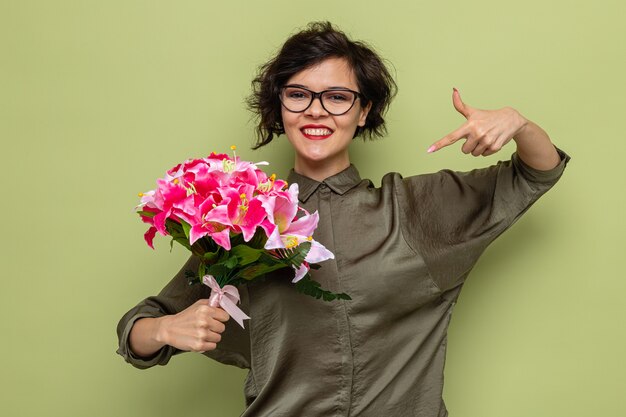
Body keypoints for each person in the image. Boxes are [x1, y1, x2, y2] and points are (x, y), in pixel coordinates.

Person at [117, 21, 569, 416]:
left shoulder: (416, 210)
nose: (316, 110)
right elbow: (137, 332)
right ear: (279, 108)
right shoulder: (242, 222)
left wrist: (518, 123)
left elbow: (537, 172)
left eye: (337, 97)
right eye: (298, 94)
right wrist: (164, 328)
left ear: (363, 110)